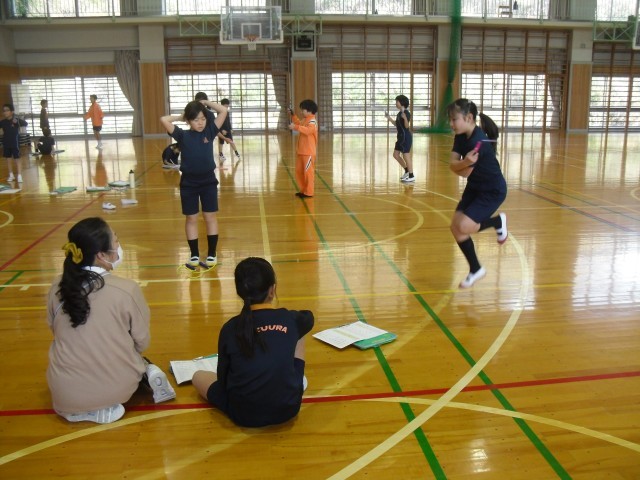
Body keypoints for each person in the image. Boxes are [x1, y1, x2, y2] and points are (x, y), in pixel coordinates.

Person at [46, 217, 176, 424]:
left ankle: (79, 408)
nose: (119, 246)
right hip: (116, 389)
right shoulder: (127, 289)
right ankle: (145, 372)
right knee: (133, 355)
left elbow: (55, 330)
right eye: (116, 241)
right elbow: (142, 342)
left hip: (63, 394)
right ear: (101, 255)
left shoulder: (56, 287)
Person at [192, 257, 314, 427]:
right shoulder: (291, 318)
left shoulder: (230, 328)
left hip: (244, 415)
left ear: (240, 292)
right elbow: (308, 317)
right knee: (300, 329)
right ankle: (290, 382)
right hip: (289, 408)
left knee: (197, 376)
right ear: (272, 290)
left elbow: (223, 379)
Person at [446, 98, 508, 289]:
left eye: (454, 119)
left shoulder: (478, 142)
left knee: (464, 226)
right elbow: (452, 165)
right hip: (474, 187)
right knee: (455, 227)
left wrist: (462, 164)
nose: (451, 123)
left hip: (492, 190)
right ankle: (476, 268)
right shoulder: (460, 136)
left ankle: (497, 222)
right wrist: (462, 164)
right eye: (450, 119)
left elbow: (463, 171)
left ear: (469, 118)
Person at [160, 98, 228, 269]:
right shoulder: (182, 135)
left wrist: (206, 102)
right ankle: (194, 254)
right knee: (191, 218)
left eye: (203, 118)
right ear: (189, 121)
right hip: (189, 183)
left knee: (210, 217)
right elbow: (164, 119)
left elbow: (223, 111)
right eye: (196, 119)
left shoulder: (210, 131)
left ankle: (212, 253)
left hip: (208, 182)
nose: (200, 123)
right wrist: (181, 117)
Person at [289, 99, 318, 198]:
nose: (301, 112)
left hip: (308, 152)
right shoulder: (305, 120)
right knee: (300, 172)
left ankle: (309, 192)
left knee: (308, 173)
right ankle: (303, 190)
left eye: (303, 110)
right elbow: (298, 123)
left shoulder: (313, 121)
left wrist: (295, 127)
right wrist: (293, 115)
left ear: (309, 110)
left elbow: (308, 130)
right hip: (301, 151)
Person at [385, 94, 414, 183]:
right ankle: (406, 170)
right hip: (400, 137)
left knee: (406, 155)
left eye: (397, 101)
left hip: (406, 137)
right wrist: (389, 117)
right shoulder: (399, 114)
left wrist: (405, 118)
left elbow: (407, 126)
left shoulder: (406, 113)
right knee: (396, 155)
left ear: (402, 103)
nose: (396, 103)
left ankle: (411, 175)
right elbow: (396, 124)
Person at [1, 103, 28, 183]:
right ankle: (11, 175)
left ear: (12, 112)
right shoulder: (3, 122)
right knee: (8, 159)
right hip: (6, 142)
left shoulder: (16, 120)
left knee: (17, 158)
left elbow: (25, 123)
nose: (5, 112)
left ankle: (19, 175)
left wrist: (17, 120)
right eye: (4, 111)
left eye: (7, 110)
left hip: (15, 143)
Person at [217, 98, 241, 163]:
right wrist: (221, 130)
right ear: (222, 105)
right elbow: (218, 122)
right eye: (226, 106)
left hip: (227, 129)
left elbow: (228, 121)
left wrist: (230, 129)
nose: (227, 108)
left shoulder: (227, 112)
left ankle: (237, 153)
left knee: (231, 141)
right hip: (222, 130)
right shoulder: (219, 112)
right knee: (221, 142)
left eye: (227, 106)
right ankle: (220, 154)